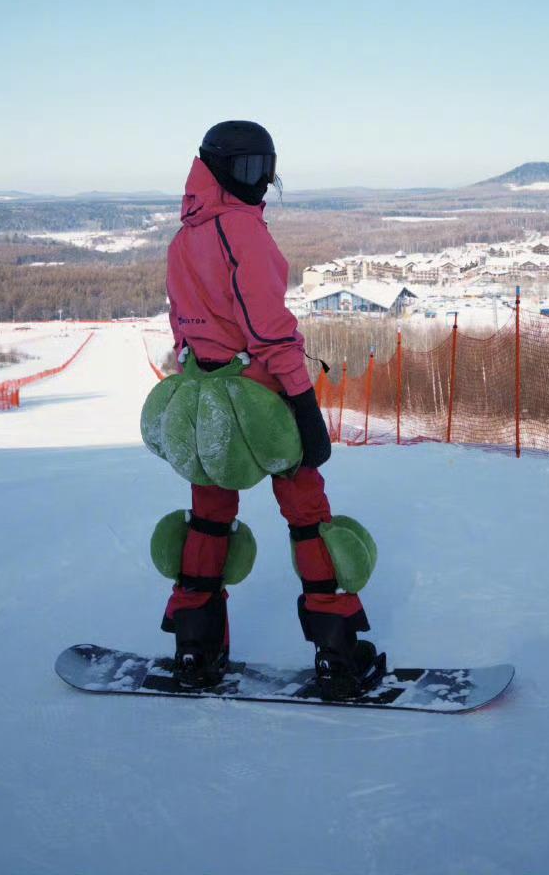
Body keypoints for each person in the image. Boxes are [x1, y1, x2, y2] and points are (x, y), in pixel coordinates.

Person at [160, 119, 380, 699]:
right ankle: (337, 653)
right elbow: (269, 329)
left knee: (209, 517)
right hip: (263, 401)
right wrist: (303, 404)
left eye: (266, 169)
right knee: (307, 514)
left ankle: (195, 647)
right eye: (247, 168)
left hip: (207, 398)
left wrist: (194, 379)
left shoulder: (183, 238)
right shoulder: (241, 230)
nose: (257, 181)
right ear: (216, 168)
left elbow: (181, 324)